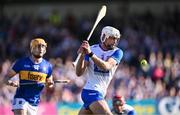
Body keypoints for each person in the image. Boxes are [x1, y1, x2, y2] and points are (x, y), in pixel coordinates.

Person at [76, 26, 123, 115]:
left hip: (100, 93)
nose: (115, 41)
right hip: (91, 91)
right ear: (104, 37)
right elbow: (79, 72)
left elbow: (107, 66)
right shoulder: (92, 49)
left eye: (117, 39)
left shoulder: (118, 52)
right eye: (112, 38)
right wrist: (82, 56)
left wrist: (90, 54)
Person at [3, 38, 54, 115]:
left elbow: (50, 84)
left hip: (34, 103)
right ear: (32, 48)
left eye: (43, 46)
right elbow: (5, 79)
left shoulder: (48, 66)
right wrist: (11, 83)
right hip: (21, 99)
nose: (40, 49)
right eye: (38, 46)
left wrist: (50, 84)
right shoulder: (21, 62)